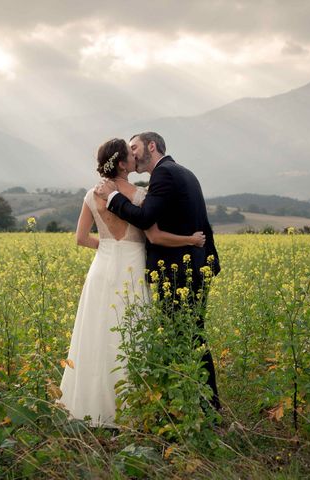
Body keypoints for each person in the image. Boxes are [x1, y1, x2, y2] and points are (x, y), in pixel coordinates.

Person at [59, 138, 206, 428]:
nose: (135, 158)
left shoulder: (92, 195)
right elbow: (154, 236)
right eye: (131, 155)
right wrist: (190, 240)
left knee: (97, 335)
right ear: (124, 163)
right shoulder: (140, 195)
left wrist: (107, 248)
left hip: (101, 267)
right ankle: (132, 410)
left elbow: (79, 238)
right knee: (132, 336)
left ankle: (88, 408)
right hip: (133, 267)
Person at [96, 131, 221, 411]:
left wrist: (114, 197)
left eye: (135, 147)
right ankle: (201, 405)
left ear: (152, 146)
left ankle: (206, 408)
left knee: (186, 336)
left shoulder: (164, 175)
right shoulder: (183, 172)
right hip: (192, 266)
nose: (132, 154)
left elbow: (145, 218)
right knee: (190, 335)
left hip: (180, 272)